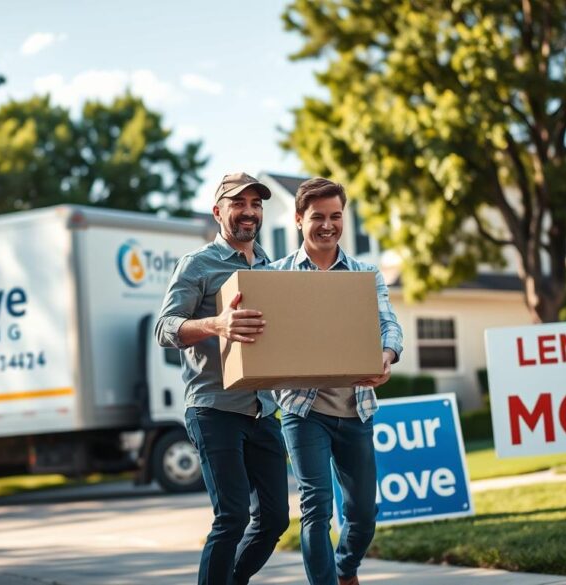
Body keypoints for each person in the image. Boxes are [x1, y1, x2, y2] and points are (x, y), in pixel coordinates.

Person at [155, 172, 289, 585]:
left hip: (262, 409)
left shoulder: (271, 267)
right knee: (231, 516)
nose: (249, 212)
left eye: (256, 204)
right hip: (213, 408)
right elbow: (165, 329)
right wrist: (217, 323)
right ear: (218, 212)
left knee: (274, 519)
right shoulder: (197, 265)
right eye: (239, 204)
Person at [270, 177, 403, 585]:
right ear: (298, 219)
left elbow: (389, 325)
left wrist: (387, 354)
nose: (328, 225)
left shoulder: (365, 274)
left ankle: (345, 569)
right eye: (317, 217)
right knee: (316, 506)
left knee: (363, 512)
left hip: (356, 406)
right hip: (302, 409)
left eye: (335, 216)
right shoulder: (276, 277)